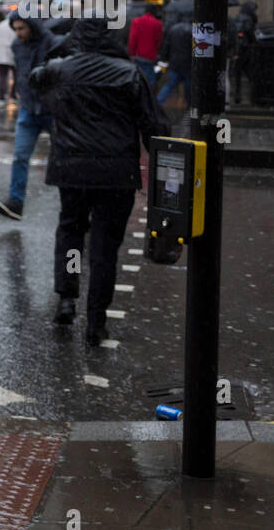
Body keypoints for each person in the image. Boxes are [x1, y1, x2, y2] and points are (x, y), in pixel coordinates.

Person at [29, 17, 170, 342]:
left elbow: (35, 80)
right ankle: (96, 319)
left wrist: (62, 52)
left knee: (72, 231)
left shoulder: (60, 70)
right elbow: (153, 124)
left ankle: (67, 297)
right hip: (115, 172)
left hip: (72, 169)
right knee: (106, 246)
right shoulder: (129, 73)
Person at [0, 11, 56, 221]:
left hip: (51, 109)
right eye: (16, 29)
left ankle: (77, 205)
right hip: (28, 108)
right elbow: (20, 72)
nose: (18, 33)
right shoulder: (17, 46)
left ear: (32, 26)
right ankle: (15, 202)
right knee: (20, 156)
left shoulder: (50, 42)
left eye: (22, 28)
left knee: (66, 158)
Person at [156, 14, 192, 107]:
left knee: (169, 85)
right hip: (188, 64)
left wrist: (164, 58)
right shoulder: (192, 30)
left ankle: (158, 102)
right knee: (188, 86)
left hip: (175, 63)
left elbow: (166, 45)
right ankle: (190, 104)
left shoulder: (173, 29)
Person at [127, 4, 163, 86]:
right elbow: (158, 41)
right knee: (150, 79)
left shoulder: (136, 21)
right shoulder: (158, 24)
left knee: (137, 78)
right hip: (151, 56)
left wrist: (131, 53)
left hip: (138, 55)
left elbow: (132, 39)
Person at [230, 1, 257, 104]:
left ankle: (237, 94)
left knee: (238, 73)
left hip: (238, 48)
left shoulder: (237, 18)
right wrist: (254, 42)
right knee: (249, 72)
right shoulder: (248, 19)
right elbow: (250, 33)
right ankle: (254, 94)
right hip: (246, 48)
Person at [0, 12, 16, 106]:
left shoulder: (0, 26)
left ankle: (1, 98)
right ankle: (13, 95)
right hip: (12, 54)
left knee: (2, 76)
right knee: (16, 76)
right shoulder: (14, 25)